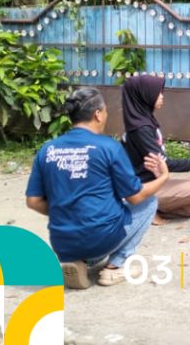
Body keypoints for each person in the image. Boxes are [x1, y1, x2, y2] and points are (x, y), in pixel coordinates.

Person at [26, 88, 170, 289]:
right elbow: (136, 197)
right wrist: (163, 176)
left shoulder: (47, 149)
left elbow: (33, 201)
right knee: (149, 201)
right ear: (98, 114)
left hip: (62, 243)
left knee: (107, 205)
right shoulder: (108, 147)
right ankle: (115, 267)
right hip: (100, 236)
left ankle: (80, 262)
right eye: (106, 111)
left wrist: (66, 210)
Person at [121, 75, 190, 225]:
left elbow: (160, 162)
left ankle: (152, 207)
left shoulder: (144, 122)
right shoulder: (141, 129)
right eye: (158, 93)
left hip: (154, 180)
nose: (162, 97)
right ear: (145, 95)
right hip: (143, 186)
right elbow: (164, 163)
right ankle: (143, 208)